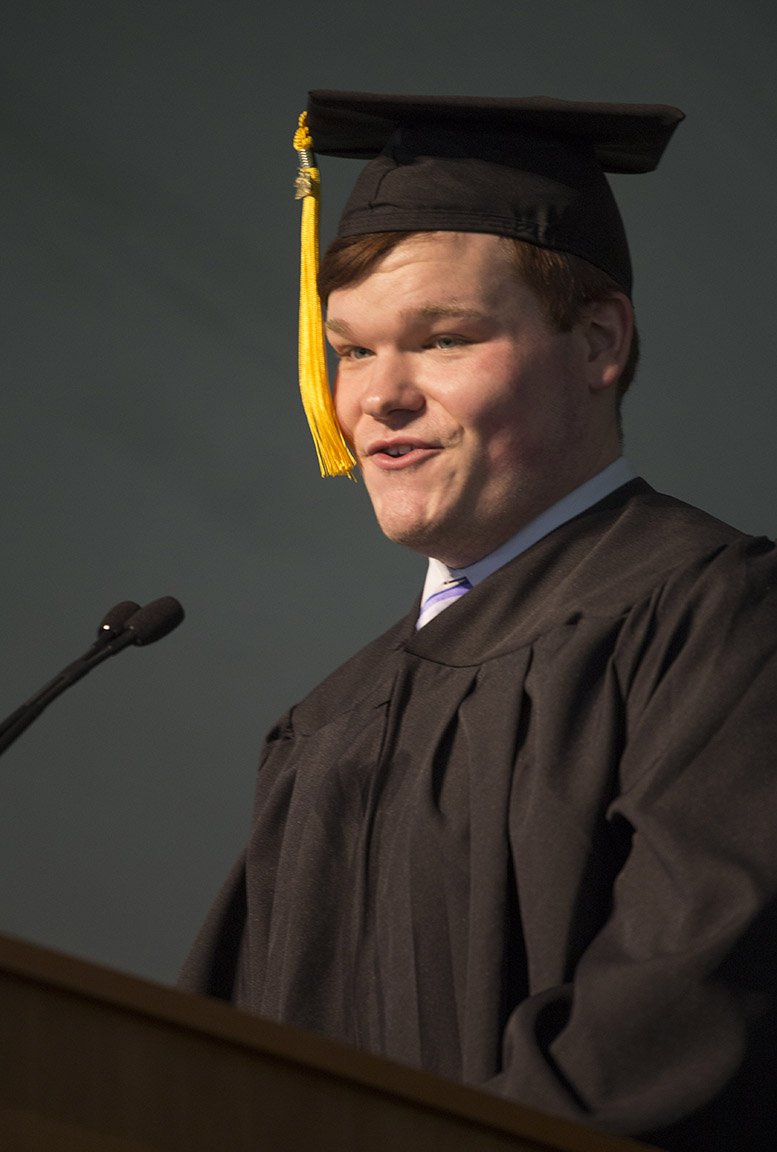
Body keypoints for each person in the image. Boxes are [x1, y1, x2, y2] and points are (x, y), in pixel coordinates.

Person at [179, 92, 777, 1150]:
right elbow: (202, 1069)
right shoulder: (327, 728)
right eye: (351, 351)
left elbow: (683, 1020)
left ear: (598, 341)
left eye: (442, 338)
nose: (378, 396)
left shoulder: (722, 618)